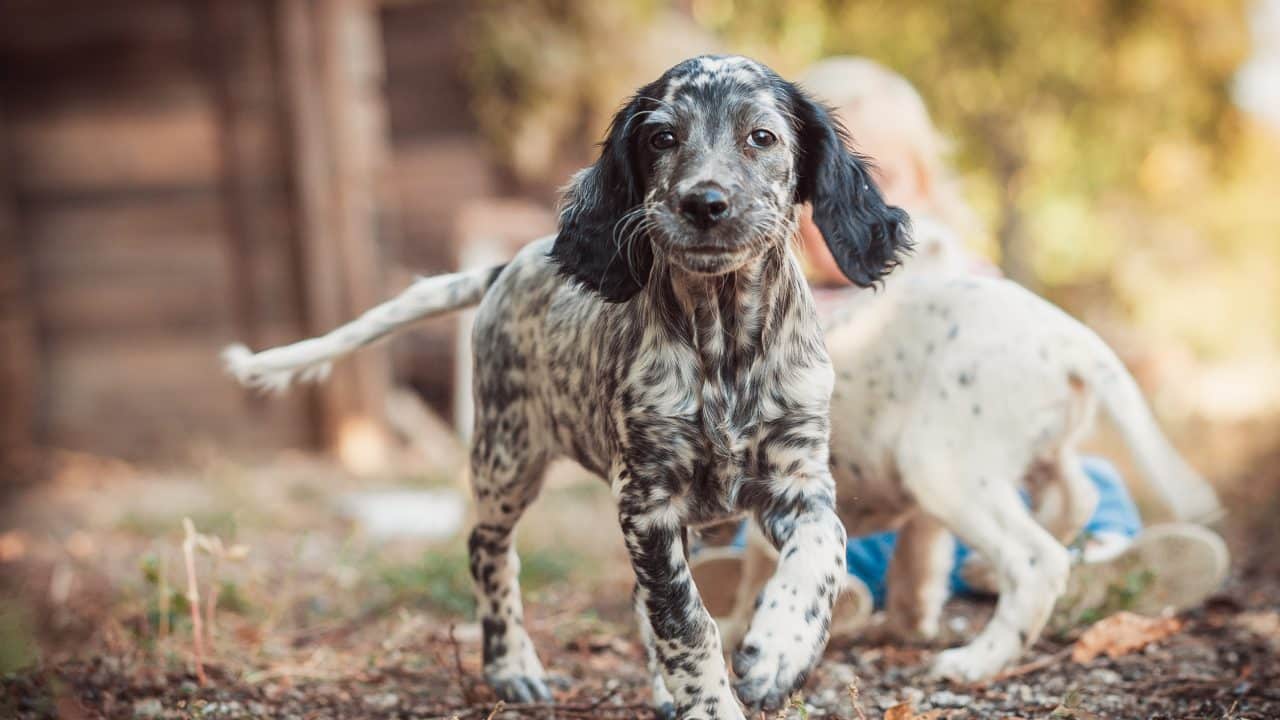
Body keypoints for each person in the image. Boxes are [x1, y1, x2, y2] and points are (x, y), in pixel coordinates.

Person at [691, 56, 1229, 634]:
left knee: (1093, 479)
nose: (839, 206)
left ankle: (1097, 561)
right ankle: (819, 590)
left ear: (923, 187)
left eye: (876, 181)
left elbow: (1025, 370)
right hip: (865, 519)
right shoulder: (777, 306)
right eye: (817, 187)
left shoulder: (959, 279)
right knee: (774, 514)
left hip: (980, 497)